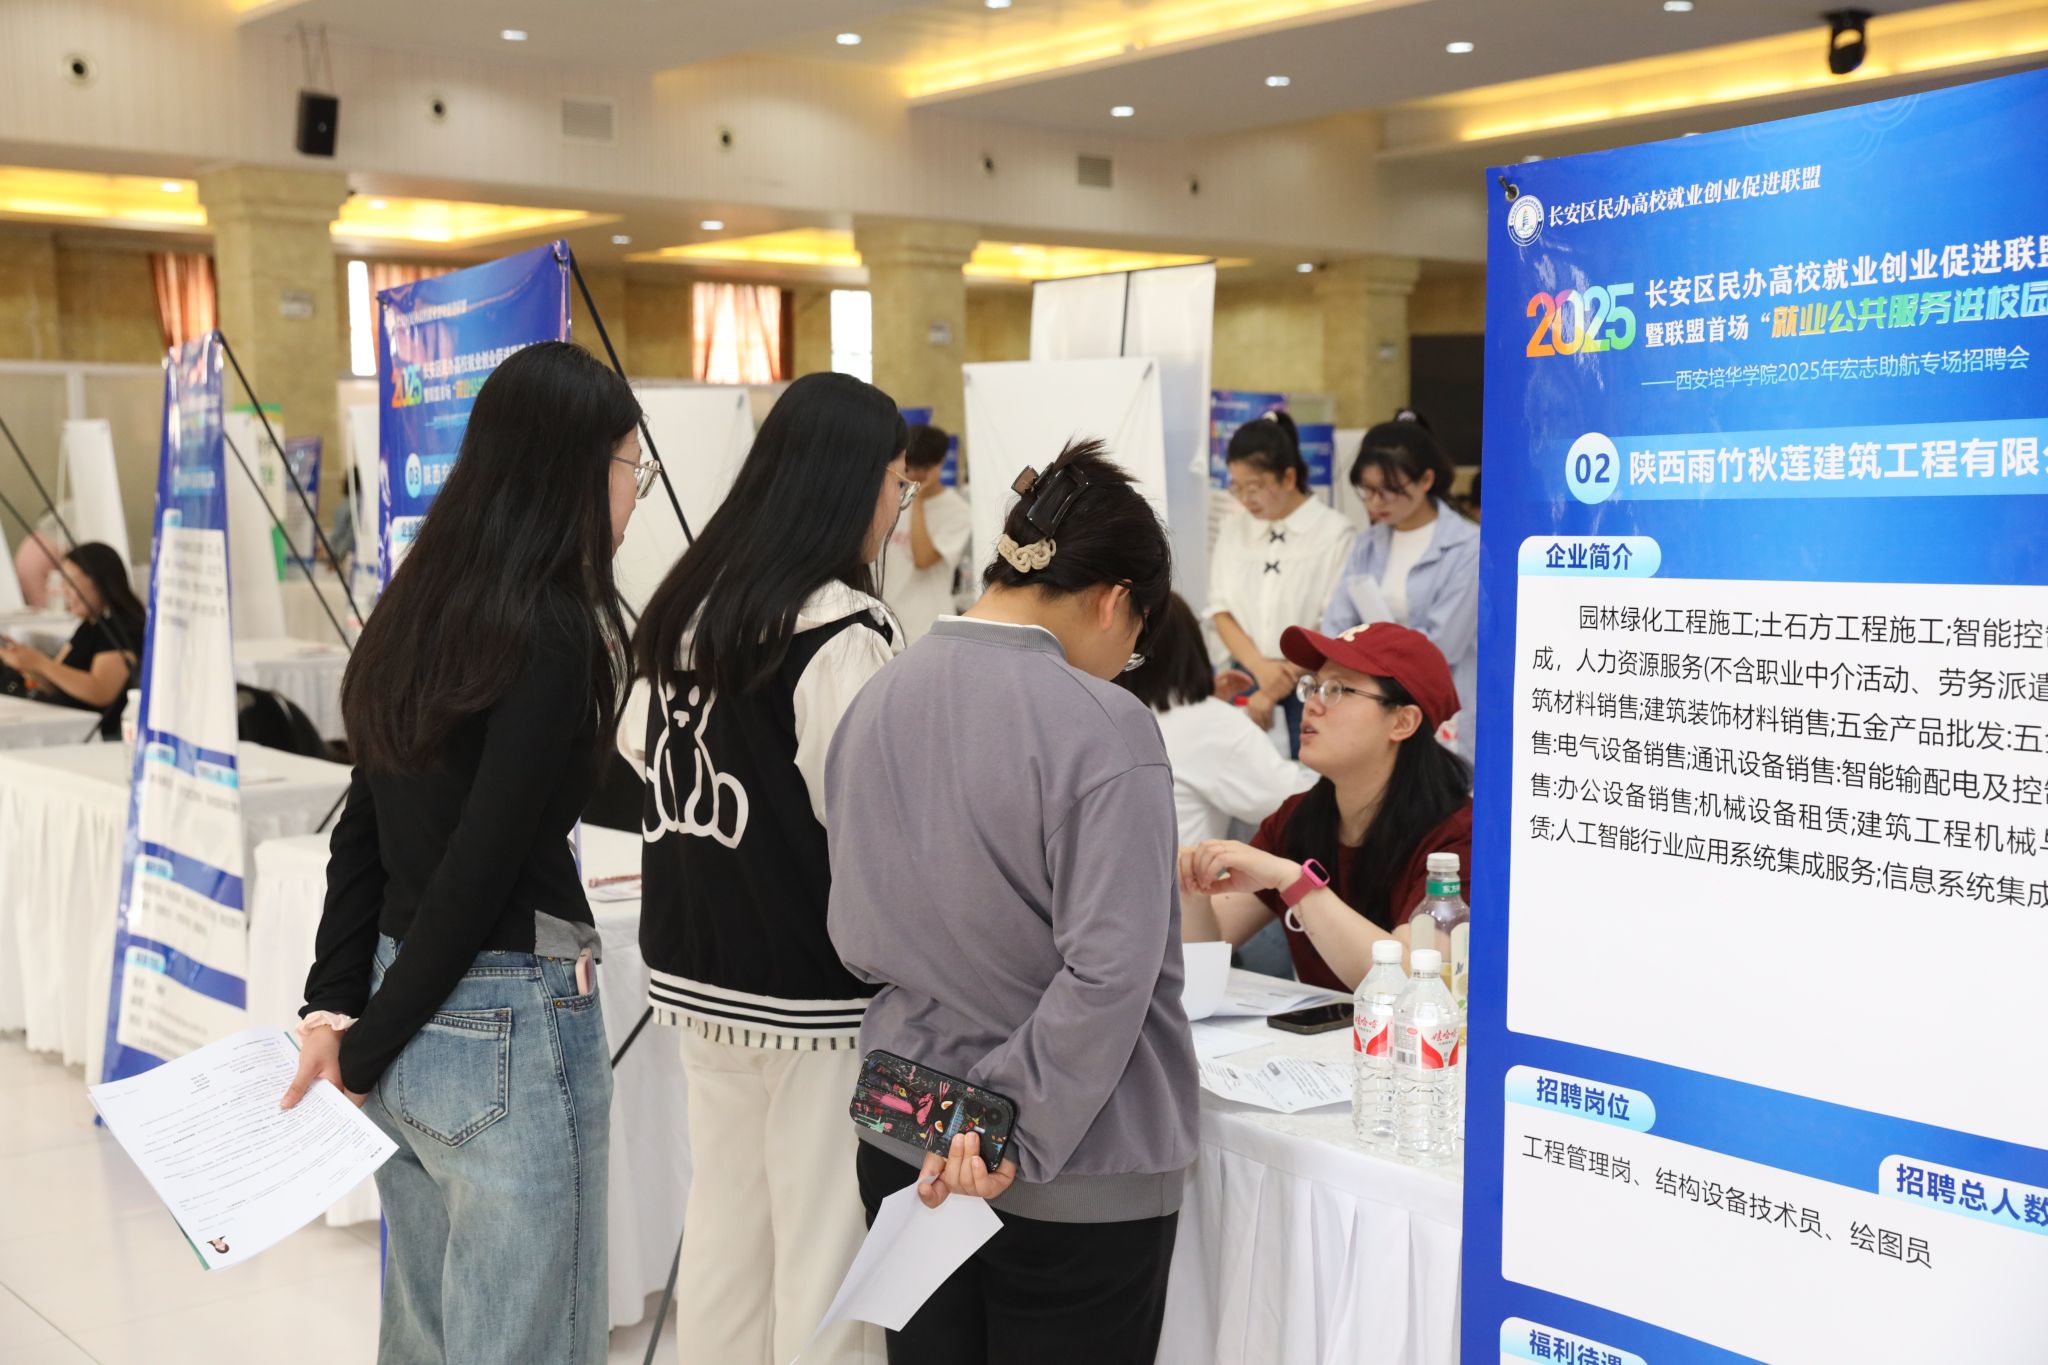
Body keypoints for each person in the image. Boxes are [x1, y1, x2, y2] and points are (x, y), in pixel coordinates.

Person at [283, 340, 649, 1365]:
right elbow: (480, 865)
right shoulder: (552, 625)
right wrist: (356, 1042)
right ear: (578, 469)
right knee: (528, 1337)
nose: (637, 492)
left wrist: (339, 1012)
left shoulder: (419, 605)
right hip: (504, 1019)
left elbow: (363, 827)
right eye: (633, 466)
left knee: (427, 1329)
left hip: (403, 1002)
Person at [828, 438, 1198, 1364]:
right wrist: (1001, 1125)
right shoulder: (1105, 724)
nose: (1128, 660)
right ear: (1114, 599)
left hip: (907, 1135)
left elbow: (855, 932)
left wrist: (961, 1119)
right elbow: (1110, 972)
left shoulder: (878, 695)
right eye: (1138, 639)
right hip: (1068, 1170)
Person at [620, 370, 907, 1365]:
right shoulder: (841, 631)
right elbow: (868, 817)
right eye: (897, 483)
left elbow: (636, 753)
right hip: (811, 986)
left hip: (696, 970)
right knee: (825, 1245)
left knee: (725, 1228)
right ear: (850, 484)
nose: (898, 504)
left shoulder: (686, 608)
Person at [1180, 621, 1472, 992]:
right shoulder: (1297, 818)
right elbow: (1212, 942)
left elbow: (1411, 985)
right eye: (1312, 687)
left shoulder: (1458, 839)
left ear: (1402, 722)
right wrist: (1191, 889)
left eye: (1337, 690)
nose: (1312, 705)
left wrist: (1296, 882)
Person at [1321, 419, 1480, 753]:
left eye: (1388, 490)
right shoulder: (1367, 543)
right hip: (1373, 707)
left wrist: (1367, 656)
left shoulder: (1468, 546)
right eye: (1367, 490)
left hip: (1440, 710)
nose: (1375, 502)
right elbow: (1337, 625)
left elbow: (1443, 645)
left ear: (1426, 480)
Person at [1206, 410, 1356, 753]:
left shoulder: (1335, 533)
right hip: (1247, 677)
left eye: (1255, 487)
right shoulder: (1233, 530)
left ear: (1288, 478)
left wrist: (1280, 681)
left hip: (1312, 682)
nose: (1246, 499)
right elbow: (1220, 610)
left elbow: (1334, 623)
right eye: (1237, 487)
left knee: (1307, 773)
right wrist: (1261, 670)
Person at [0, 541, 144, 736]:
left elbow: (101, 691)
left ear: (99, 581)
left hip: (92, 733)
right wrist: (26, 663)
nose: (64, 591)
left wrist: (41, 663)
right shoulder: (89, 626)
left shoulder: (121, 628)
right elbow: (55, 682)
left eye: (71, 583)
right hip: (63, 720)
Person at [881, 423, 972, 645]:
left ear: (939, 464)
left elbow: (922, 559)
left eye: (923, 468)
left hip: (928, 629)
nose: (914, 474)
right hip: (887, 625)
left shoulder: (958, 511)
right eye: (910, 467)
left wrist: (918, 499)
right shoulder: (889, 499)